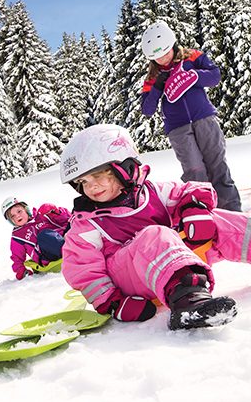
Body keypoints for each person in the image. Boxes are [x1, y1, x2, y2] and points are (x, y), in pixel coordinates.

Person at [59, 123, 249, 330]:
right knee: (155, 234)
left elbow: (190, 191)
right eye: (83, 181)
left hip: (176, 261)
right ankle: (188, 302)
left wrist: (195, 208)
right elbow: (84, 270)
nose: (91, 186)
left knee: (216, 218)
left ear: (124, 168)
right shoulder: (86, 224)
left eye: (98, 175)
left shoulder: (153, 192)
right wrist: (112, 303)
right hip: (131, 281)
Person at [140, 19, 241, 211]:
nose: (162, 60)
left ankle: (233, 214)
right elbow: (147, 109)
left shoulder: (192, 57)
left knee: (217, 166)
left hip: (204, 119)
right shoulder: (153, 77)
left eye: (165, 53)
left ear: (173, 44)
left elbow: (215, 76)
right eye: (157, 57)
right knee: (195, 172)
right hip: (178, 129)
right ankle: (205, 215)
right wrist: (157, 88)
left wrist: (195, 76)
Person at [1, 197, 70, 280]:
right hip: (49, 252)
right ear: (10, 221)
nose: (17, 216)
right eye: (12, 216)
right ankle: (71, 247)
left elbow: (66, 220)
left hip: (65, 238)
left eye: (19, 211)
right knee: (45, 235)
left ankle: (76, 242)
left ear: (26, 209)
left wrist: (55, 212)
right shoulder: (17, 236)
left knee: (78, 214)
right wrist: (21, 271)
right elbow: (17, 258)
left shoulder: (41, 215)